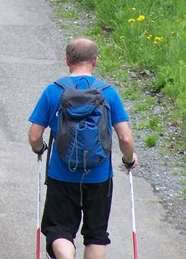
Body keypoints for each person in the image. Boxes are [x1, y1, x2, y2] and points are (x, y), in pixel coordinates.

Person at [28, 38, 137, 259]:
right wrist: (129, 159)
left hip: (62, 173)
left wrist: (40, 149)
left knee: (59, 229)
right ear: (95, 61)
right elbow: (124, 137)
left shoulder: (54, 91)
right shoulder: (108, 93)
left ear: (67, 59)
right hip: (99, 177)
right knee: (96, 234)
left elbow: (34, 136)